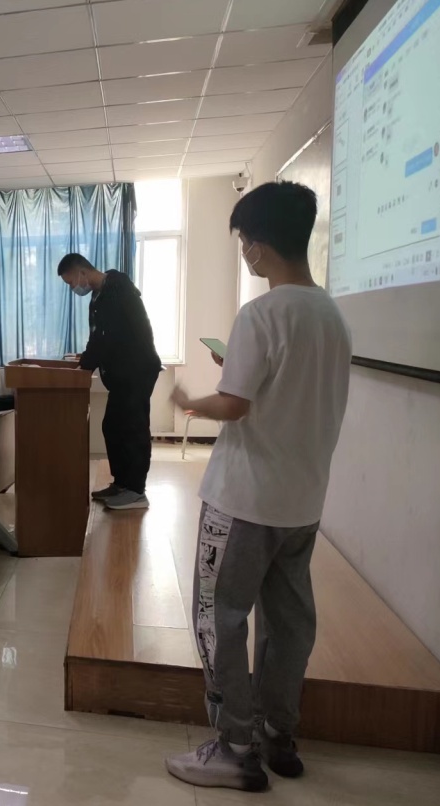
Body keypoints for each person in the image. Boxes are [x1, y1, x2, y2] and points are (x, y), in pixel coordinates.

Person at [164, 182, 352, 793]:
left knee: (219, 616)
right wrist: (237, 375)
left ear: (258, 245)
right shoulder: (332, 315)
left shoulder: (262, 314)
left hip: (243, 500)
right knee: (288, 623)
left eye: (244, 239)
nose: (244, 251)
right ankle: (278, 734)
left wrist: (191, 400)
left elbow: (236, 406)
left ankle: (234, 747)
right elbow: (286, 390)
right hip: (302, 503)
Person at [58, 252, 161, 511]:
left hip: (137, 370)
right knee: (113, 427)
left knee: (132, 428)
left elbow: (108, 337)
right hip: (121, 374)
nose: (73, 288)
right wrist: (85, 358)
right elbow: (96, 337)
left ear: (82, 272)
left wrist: (85, 365)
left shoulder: (118, 291)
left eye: (71, 282)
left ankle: (136, 491)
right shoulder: (98, 296)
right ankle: (122, 483)